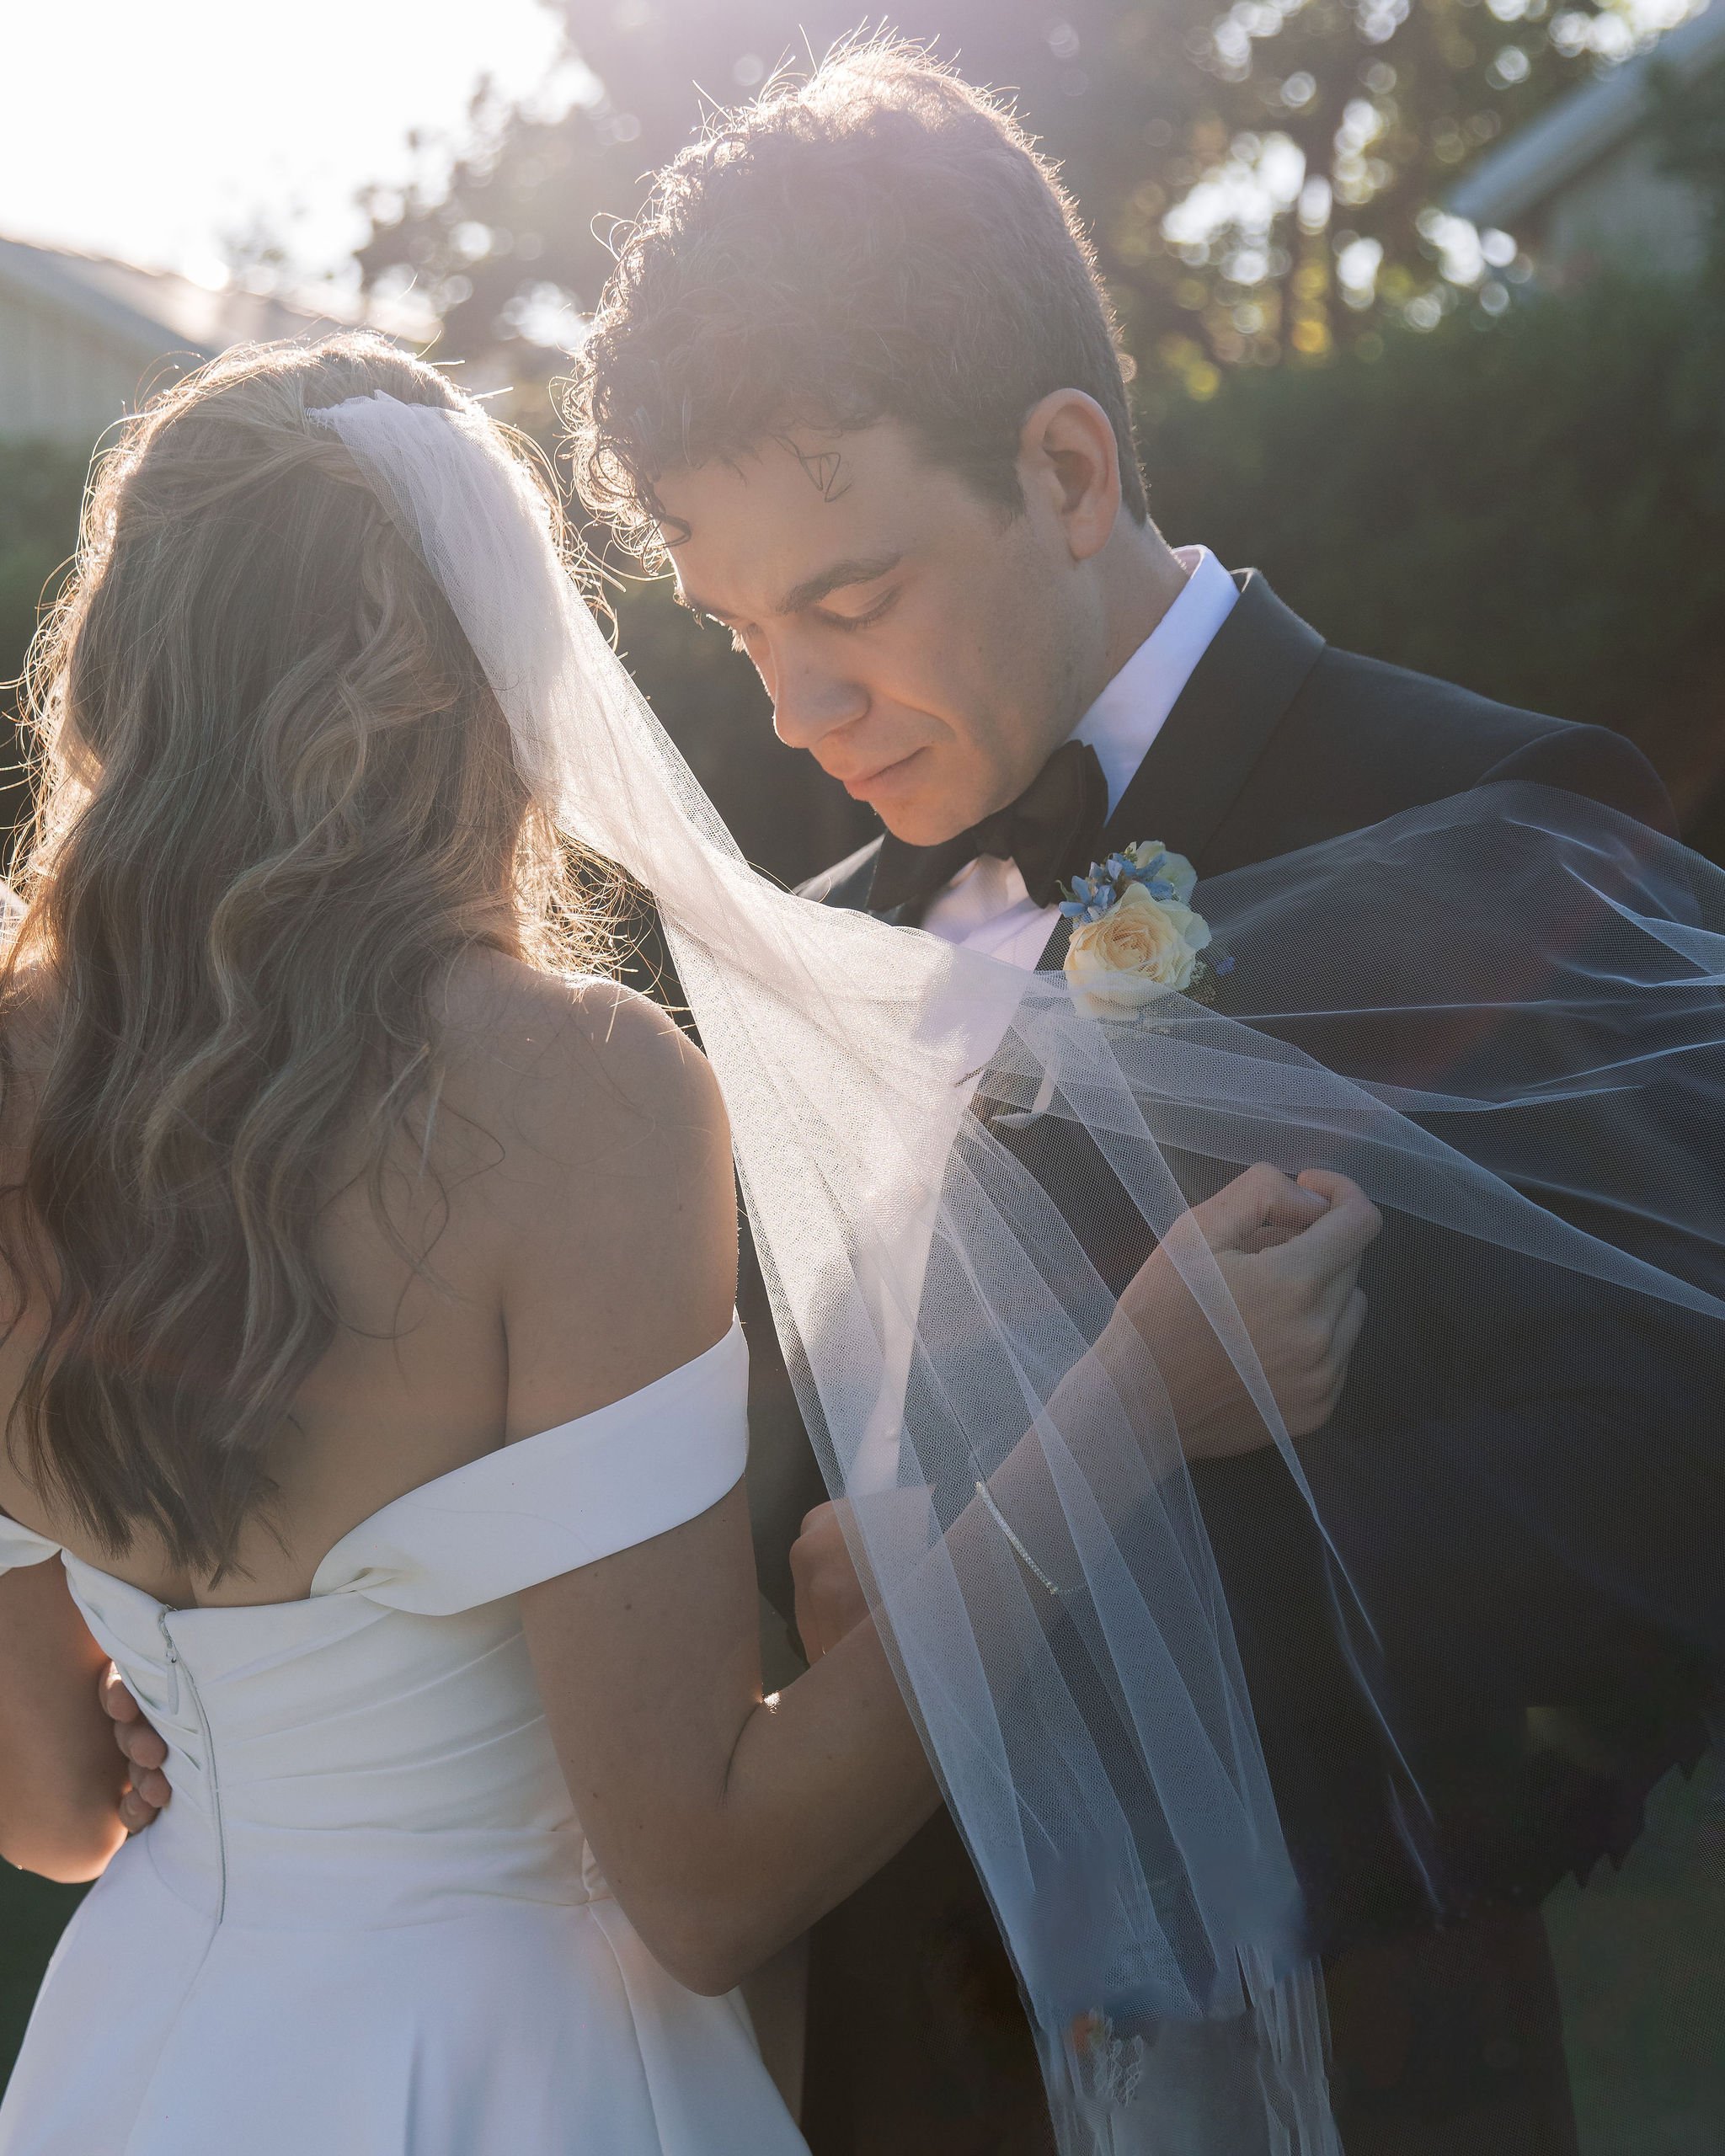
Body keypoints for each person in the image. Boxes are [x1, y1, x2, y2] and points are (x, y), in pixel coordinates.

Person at [0, 335, 1381, 2156]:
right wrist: (1128, 1394)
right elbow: (707, 1880)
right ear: (469, 669)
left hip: (147, 2057)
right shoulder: (568, 1094)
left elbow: (57, 1796)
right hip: (516, 2073)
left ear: (127, 667)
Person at [563, 40, 1722, 2155]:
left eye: (849, 600)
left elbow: (1657, 1497)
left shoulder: (1473, 816)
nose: (799, 711)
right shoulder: (813, 952)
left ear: (1070, 473)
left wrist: (1062, 1629)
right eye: (740, 634)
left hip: (1357, 2064)